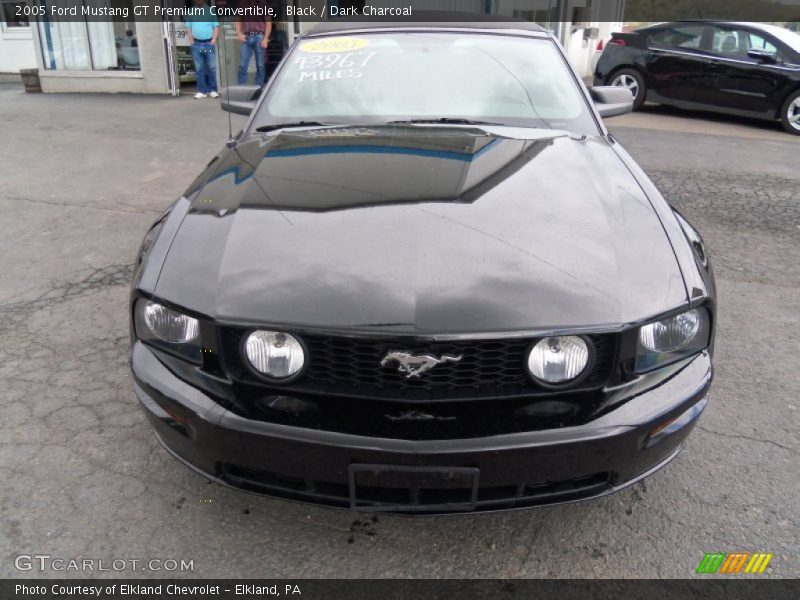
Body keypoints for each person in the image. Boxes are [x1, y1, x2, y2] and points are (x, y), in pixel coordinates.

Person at [185, 0, 220, 99]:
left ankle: (213, 90)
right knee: (199, 69)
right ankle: (202, 91)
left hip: (208, 44)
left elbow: (216, 27)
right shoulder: (191, 11)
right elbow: (189, 28)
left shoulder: (210, 11)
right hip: (197, 44)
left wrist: (213, 40)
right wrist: (192, 42)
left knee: (211, 68)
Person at [235, 0, 272, 88]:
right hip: (246, 37)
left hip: (259, 37)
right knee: (242, 65)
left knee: (260, 66)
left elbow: (268, 23)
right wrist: (239, 34)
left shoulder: (263, 4)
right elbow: (238, 21)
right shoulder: (242, 3)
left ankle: (258, 89)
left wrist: (265, 38)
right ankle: (241, 89)